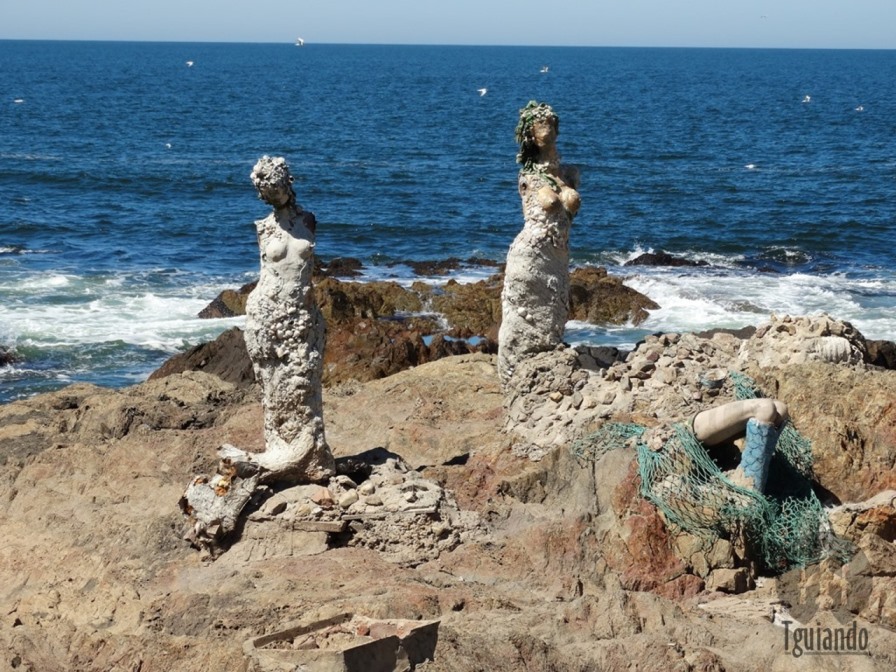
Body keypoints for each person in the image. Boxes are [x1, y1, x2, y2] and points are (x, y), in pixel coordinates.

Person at [692, 398, 789, 492]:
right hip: (693, 428)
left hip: (721, 439)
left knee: (781, 409)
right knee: (764, 408)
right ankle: (748, 485)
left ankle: (751, 481)